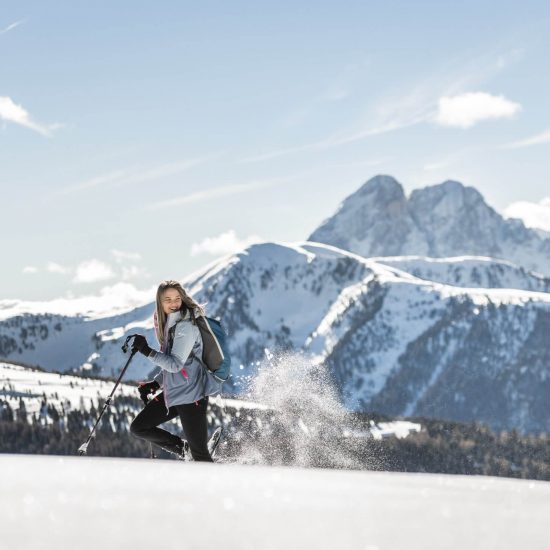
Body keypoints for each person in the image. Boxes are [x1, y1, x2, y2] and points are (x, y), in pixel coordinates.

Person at [130, 280, 222, 462]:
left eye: (177, 298)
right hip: (175, 391)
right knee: (139, 427)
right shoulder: (170, 325)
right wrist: (156, 383)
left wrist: (147, 351)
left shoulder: (185, 326)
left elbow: (176, 364)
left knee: (201, 457)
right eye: (168, 299)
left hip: (192, 395)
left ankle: (217, 485)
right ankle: (184, 449)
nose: (173, 303)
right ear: (160, 302)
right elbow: (177, 366)